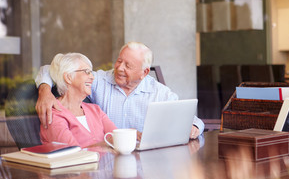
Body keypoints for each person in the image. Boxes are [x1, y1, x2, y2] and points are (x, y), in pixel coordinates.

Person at [35, 42, 204, 139]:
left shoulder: (159, 93)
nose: (119, 68)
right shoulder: (99, 81)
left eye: (128, 65)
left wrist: (194, 126)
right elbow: (54, 69)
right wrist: (44, 91)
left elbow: (193, 119)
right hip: (106, 164)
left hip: (143, 166)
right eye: (119, 61)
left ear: (144, 72)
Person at [40, 53, 117, 148]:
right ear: (68, 77)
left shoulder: (95, 110)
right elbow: (73, 153)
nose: (92, 77)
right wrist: (107, 145)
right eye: (87, 72)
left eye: (91, 73)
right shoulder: (53, 115)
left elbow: (117, 138)